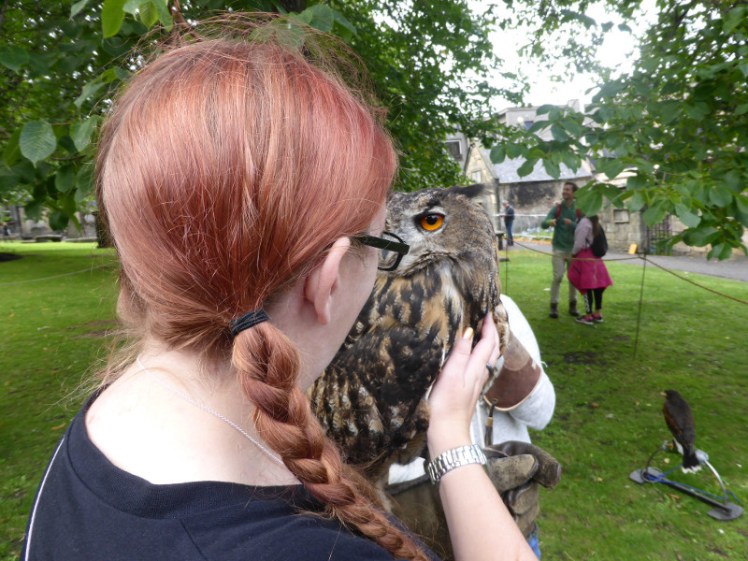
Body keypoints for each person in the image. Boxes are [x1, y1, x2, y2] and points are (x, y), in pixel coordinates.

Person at [21, 20, 537, 561]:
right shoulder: (314, 550)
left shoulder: (103, 429)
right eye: (381, 239)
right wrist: (454, 443)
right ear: (328, 277)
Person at [389, 294, 556, 559]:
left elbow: (542, 413)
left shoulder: (500, 306)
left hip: (511, 532)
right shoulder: (377, 316)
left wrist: (495, 345)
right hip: (414, 541)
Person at [541, 182, 580, 318]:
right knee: (557, 277)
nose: (565, 192)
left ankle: (573, 305)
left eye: (568, 190)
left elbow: (584, 227)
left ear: (574, 193)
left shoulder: (578, 209)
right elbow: (543, 223)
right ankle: (553, 306)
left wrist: (573, 224)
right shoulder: (557, 208)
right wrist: (549, 222)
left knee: (573, 278)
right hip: (558, 248)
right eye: (564, 189)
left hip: (574, 249)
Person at [567, 215, 613, 325]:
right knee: (597, 285)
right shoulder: (594, 221)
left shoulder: (584, 222)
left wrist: (572, 254)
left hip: (586, 257)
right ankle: (598, 313)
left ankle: (588, 315)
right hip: (596, 258)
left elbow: (579, 243)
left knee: (586, 286)